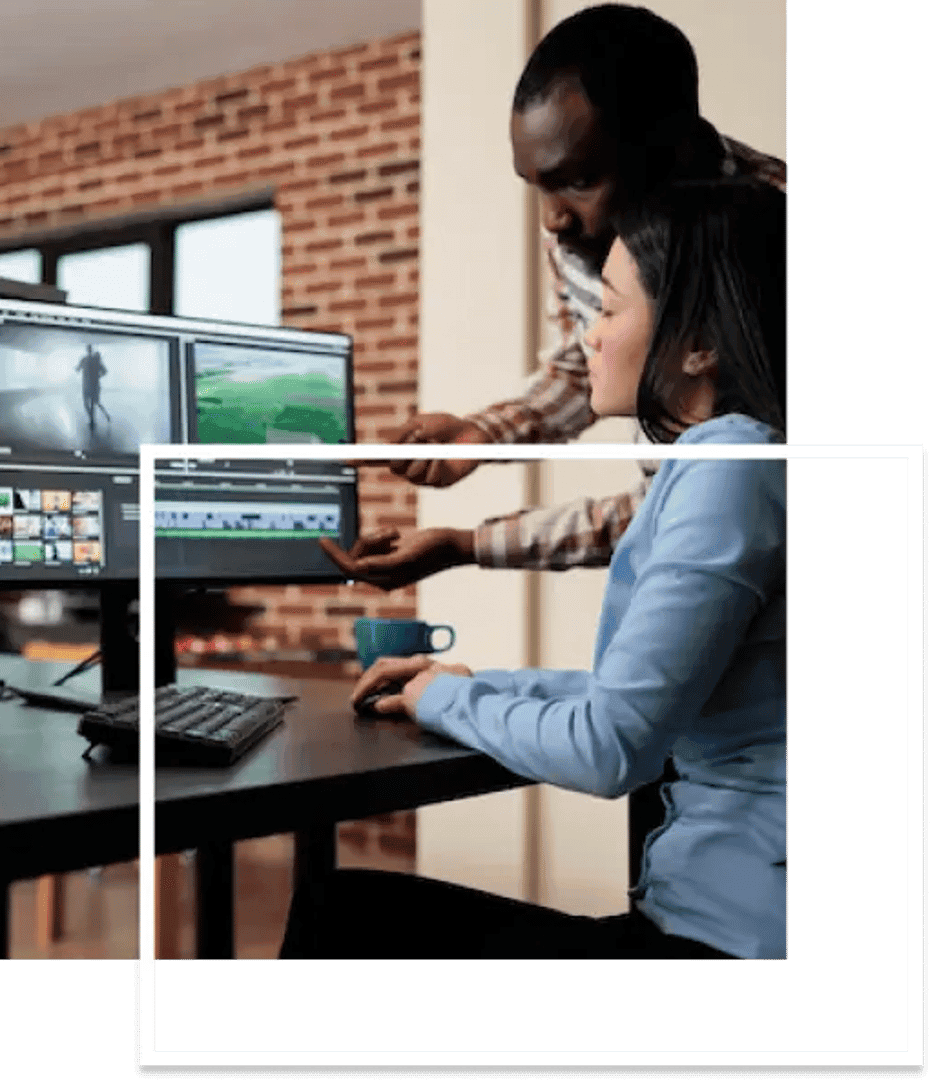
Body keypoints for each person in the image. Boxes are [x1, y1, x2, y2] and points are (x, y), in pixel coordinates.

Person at [280, 178, 788, 960]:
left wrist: (450, 696)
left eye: (610, 309)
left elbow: (611, 746)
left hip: (724, 950)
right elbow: (640, 700)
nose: (588, 337)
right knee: (347, 907)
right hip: (731, 923)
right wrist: (467, 687)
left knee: (343, 914)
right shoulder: (748, 458)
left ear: (702, 343)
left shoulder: (730, 469)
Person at [330, 4, 787, 590]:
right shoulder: (589, 236)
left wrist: (469, 545)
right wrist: (483, 437)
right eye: (537, 186)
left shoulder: (781, 251)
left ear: (679, 152)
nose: (552, 222)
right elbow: (588, 365)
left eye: (576, 181)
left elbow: (694, 513)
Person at [75, 343, 109, 430]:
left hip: (90, 385)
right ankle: (94, 418)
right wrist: (99, 376)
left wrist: (98, 376)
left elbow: (104, 371)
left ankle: (92, 420)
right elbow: (104, 371)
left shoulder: (89, 360)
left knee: (91, 404)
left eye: (89, 349)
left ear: (88, 350)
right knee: (92, 404)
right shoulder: (87, 359)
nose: (89, 350)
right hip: (89, 385)